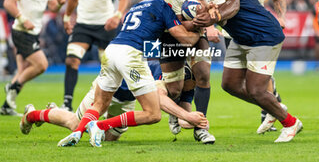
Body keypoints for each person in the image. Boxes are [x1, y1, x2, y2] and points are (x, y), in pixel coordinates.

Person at [57, 0, 201, 147]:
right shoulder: (163, 6)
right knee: (153, 114)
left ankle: (77, 133)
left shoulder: (135, 8)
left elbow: (146, 40)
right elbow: (186, 40)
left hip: (112, 50)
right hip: (131, 55)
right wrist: (200, 28)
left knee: (99, 104)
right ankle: (101, 125)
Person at [194, 0, 302, 143]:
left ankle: (290, 123)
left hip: (263, 37)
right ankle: (273, 108)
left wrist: (214, 18)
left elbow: (233, 6)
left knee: (256, 90)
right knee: (230, 84)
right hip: (241, 38)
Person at [20, 60, 206, 141]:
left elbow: (183, 111)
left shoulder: (186, 78)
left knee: (109, 139)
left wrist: (191, 120)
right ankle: (32, 115)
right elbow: (159, 99)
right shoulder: (164, 70)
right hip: (110, 88)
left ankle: (69, 116)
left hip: (127, 99)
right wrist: (186, 116)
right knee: (74, 124)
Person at [160, 0, 226, 144]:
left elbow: (221, 12)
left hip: (199, 32)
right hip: (172, 34)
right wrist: (199, 20)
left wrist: (211, 18)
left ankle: (201, 128)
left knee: (204, 74)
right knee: (173, 90)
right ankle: (175, 109)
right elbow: (176, 26)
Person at [222, 0, 287, 131]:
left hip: (259, 33)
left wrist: (281, 17)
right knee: (238, 81)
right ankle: (273, 107)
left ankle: (270, 111)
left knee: (258, 77)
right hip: (232, 34)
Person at [61, 0, 129, 111]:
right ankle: (67, 103)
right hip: (83, 24)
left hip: (105, 25)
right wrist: (67, 16)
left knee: (110, 66)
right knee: (71, 60)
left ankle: (116, 101)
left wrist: (117, 15)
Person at [0, 0, 66, 116]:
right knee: (41, 65)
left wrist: (58, 4)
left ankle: (7, 105)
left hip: (34, 32)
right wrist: (22, 19)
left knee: (22, 69)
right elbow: (8, 2)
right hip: (21, 31)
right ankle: (12, 87)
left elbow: (52, 7)